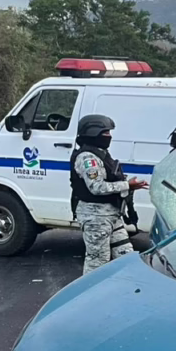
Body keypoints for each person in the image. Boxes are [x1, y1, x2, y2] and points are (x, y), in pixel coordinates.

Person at [70, 114, 148, 274]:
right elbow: (96, 187)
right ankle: (92, 297)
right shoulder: (87, 157)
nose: (109, 136)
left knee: (125, 257)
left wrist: (130, 187)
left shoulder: (101, 154)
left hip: (111, 215)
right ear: (93, 133)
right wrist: (127, 185)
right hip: (96, 218)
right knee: (97, 263)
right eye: (105, 133)